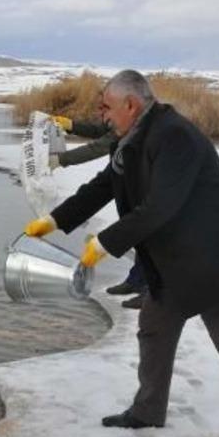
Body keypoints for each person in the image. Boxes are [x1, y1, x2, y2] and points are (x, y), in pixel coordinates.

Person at [24, 70, 219, 437]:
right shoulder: (131, 141)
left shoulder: (175, 136)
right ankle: (147, 411)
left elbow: (161, 207)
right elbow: (102, 187)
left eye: (106, 107)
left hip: (218, 264)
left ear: (132, 104)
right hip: (174, 266)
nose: (101, 114)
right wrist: (55, 221)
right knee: (154, 331)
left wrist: (104, 244)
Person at [47, 114, 148, 309]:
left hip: (145, 185)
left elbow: (99, 146)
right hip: (126, 181)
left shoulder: (135, 124)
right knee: (137, 237)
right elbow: (102, 131)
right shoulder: (121, 117)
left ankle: (151, 291)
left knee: (149, 238)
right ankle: (136, 280)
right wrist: (72, 125)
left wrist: (61, 160)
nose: (104, 112)